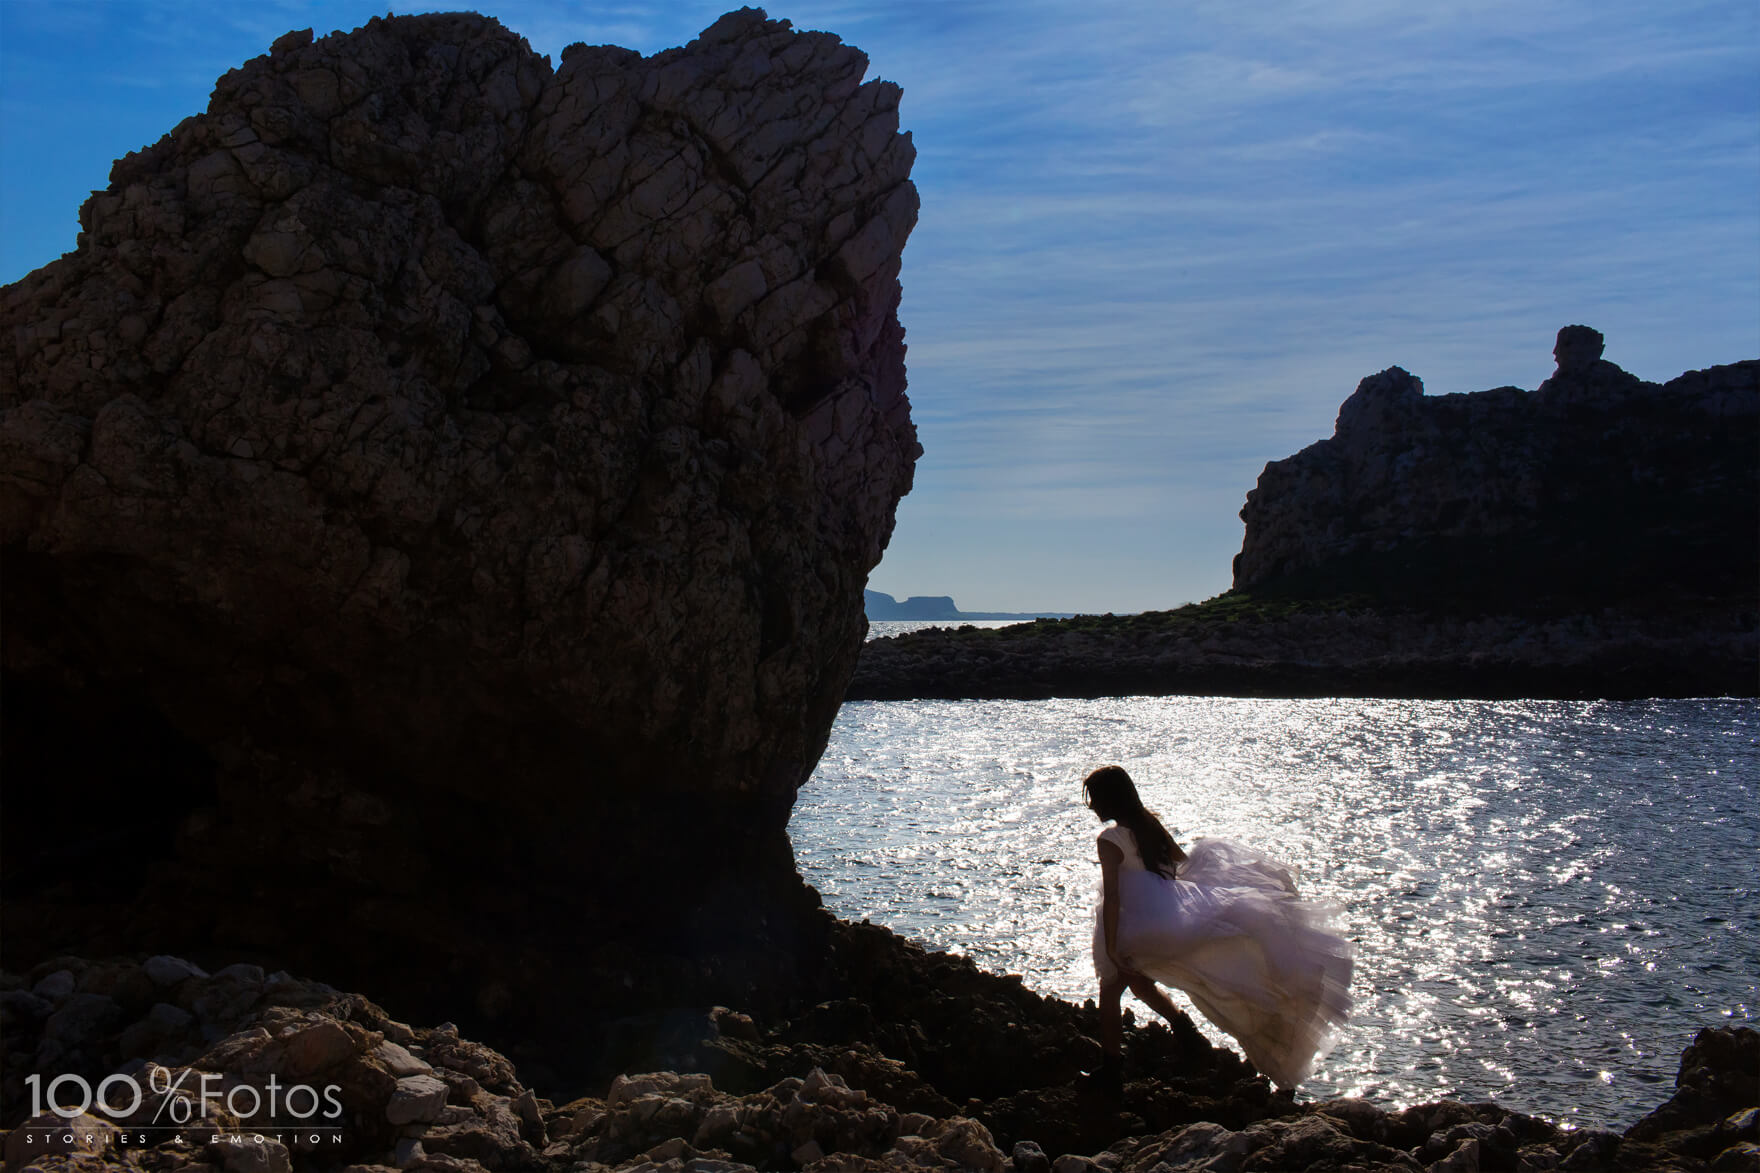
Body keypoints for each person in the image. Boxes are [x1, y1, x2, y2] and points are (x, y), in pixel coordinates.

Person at [1084, 764, 1353, 1093]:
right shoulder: (1148, 825)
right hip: (1156, 921)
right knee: (1139, 983)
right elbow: (1181, 865)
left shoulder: (1108, 838)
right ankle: (1184, 1030)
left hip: (1134, 922)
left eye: (1094, 799)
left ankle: (1111, 1072)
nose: (1092, 806)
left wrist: (1111, 945)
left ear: (1108, 800)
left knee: (1110, 990)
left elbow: (1112, 895)